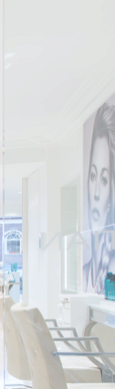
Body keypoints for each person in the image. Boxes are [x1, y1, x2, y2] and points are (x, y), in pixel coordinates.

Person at [83, 104, 115, 294]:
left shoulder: (112, 266)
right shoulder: (85, 273)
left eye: (103, 180)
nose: (95, 193)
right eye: (93, 176)